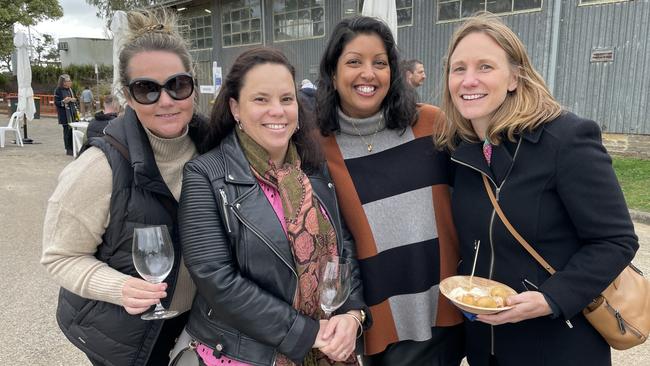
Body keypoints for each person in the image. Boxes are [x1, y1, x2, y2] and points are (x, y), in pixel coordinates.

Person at [435, 13, 639, 366]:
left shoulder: (565, 139)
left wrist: (550, 299)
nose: (469, 80)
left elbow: (616, 241)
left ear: (514, 77)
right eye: (458, 69)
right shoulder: (459, 150)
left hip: (559, 344)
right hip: (487, 349)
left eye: (485, 67)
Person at [177, 47, 370, 366]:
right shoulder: (205, 175)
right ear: (235, 108)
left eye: (286, 99)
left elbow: (343, 247)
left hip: (330, 347)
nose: (277, 111)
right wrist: (305, 333)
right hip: (246, 354)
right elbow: (216, 279)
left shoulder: (314, 168)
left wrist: (351, 314)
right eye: (261, 99)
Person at [41, 9, 207, 366]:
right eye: (147, 89)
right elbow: (59, 256)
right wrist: (119, 288)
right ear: (128, 97)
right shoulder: (99, 167)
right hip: (123, 336)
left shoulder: (214, 147)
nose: (166, 100)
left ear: (193, 85)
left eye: (177, 85)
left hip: (197, 328)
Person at [315, 16, 464, 366]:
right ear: (333, 75)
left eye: (380, 63)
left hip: (447, 307)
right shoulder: (319, 149)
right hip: (378, 318)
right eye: (354, 62)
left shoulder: (431, 124)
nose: (369, 73)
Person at [54, 74, 78, 155]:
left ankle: (74, 147)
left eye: (70, 81)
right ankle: (68, 149)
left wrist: (73, 99)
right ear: (63, 82)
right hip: (64, 114)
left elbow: (76, 99)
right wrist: (63, 101)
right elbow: (56, 102)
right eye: (68, 81)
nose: (70, 82)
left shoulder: (71, 90)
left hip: (72, 113)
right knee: (67, 131)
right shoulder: (58, 90)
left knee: (73, 130)